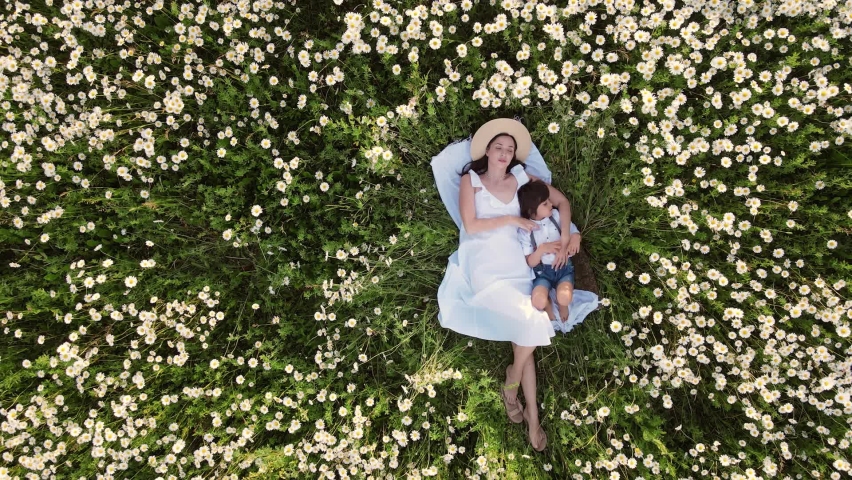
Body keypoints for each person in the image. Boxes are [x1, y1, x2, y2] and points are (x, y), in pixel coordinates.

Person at [436, 118, 575, 451]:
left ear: (514, 156)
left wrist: (568, 235)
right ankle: (513, 383)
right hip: (484, 261)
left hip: (519, 260)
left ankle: (529, 414)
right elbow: (470, 224)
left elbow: (563, 203)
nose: (504, 152)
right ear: (487, 150)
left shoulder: (522, 178)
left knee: (526, 333)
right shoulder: (471, 181)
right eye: (498, 146)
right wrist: (513, 218)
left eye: (510, 149)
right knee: (530, 323)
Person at [517, 180, 582, 328]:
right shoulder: (526, 230)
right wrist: (541, 249)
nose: (551, 205)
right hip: (542, 272)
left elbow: (573, 231)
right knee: (538, 301)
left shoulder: (557, 217)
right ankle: (547, 302)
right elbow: (530, 263)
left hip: (564, 268)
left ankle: (562, 304)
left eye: (549, 201)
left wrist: (575, 239)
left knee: (564, 297)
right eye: (545, 204)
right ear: (531, 211)